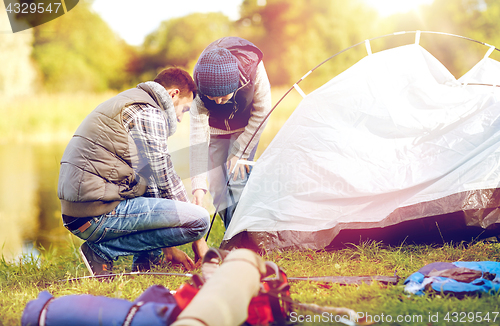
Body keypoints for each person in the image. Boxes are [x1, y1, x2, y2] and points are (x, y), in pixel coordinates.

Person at [57, 67, 210, 276]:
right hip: (94, 214)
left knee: (148, 190)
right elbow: (164, 175)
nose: (181, 118)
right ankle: (101, 251)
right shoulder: (149, 112)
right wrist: (197, 238)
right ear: (173, 94)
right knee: (200, 219)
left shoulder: (132, 101)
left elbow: (152, 184)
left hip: (80, 212)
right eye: (184, 110)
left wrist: (169, 248)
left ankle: (147, 260)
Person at [190, 37, 272, 229]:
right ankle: (232, 233)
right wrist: (198, 185)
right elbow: (198, 138)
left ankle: (244, 235)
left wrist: (240, 150)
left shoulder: (253, 68)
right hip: (215, 131)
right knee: (217, 188)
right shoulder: (200, 81)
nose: (218, 103)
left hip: (245, 128)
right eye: (212, 97)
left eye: (224, 97)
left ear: (234, 85)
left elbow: (262, 111)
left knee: (237, 181)